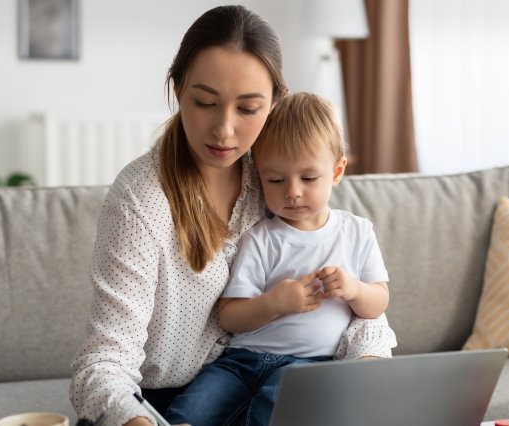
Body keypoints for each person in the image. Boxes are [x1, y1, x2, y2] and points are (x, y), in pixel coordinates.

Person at [69, 6, 396, 426]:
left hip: (288, 387)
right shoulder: (140, 200)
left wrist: (364, 367)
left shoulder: (279, 182)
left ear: (275, 104)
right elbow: (103, 361)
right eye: (204, 102)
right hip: (164, 406)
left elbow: (359, 302)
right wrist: (136, 420)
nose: (224, 131)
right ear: (177, 88)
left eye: (247, 109)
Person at [164, 92, 392, 426]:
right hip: (242, 360)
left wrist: (354, 289)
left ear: (337, 171)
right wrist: (275, 303)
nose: (292, 191)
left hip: (308, 365)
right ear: (259, 178)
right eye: (275, 180)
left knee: (274, 408)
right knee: (189, 411)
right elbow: (229, 317)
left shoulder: (357, 232)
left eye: (308, 178)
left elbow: (378, 303)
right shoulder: (260, 237)